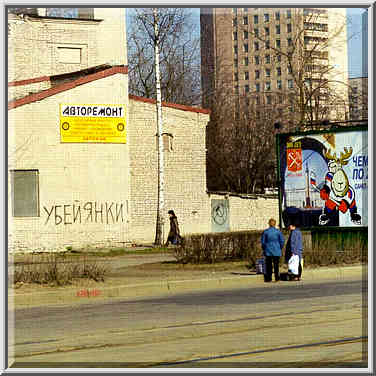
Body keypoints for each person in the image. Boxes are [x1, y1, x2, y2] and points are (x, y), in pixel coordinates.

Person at [261, 218, 285, 282]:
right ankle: (277, 278)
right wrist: (280, 247)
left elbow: (263, 242)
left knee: (269, 265)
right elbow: (282, 241)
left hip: (268, 250)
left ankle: (269, 278)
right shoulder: (278, 232)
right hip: (277, 250)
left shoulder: (266, 232)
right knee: (276, 265)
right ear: (275, 224)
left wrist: (264, 248)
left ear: (269, 224)